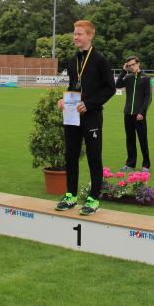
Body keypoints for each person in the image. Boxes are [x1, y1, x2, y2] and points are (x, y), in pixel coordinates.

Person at [55, 20, 116, 216]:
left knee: (93, 156)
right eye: (74, 34)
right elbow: (74, 86)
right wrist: (64, 100)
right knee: (70, 155)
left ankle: (94, 198)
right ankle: (70, 195)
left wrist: (89, 104)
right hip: (73, 115)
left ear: (90, 36)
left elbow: (110, 88)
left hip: (92, 116)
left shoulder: (100, 60)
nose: (75, 37)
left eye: (79, 34)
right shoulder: (73, 60)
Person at [116, 56, 152, 171]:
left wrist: (142, 112)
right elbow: (117, 85)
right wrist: (123, 71)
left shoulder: (146, 78)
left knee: (142, 139)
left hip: (139, 115)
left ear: (138, 63)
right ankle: (130, 164)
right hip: (128, 113)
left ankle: (146, 165)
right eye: (129, 65)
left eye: (133, 64)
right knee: (130, 139)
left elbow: (148, 98)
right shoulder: (128, 78)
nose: (131, 67)